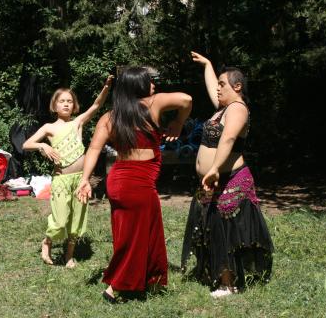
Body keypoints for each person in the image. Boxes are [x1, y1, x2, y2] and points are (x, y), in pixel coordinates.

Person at [76, 67, 192, 303]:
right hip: (137, 183)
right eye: (149, 81)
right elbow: (186, 99)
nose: (154, 85)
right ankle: (116, 287)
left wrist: (85, 179)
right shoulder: (153, 103)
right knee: (138, 234)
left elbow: (94, 150)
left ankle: (149, 281)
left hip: (117, 181)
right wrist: (179, 122)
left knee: (135, 231)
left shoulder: (109, 117)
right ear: (137, 85)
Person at [181, 51, 274, 298]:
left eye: (224, 84)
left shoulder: (238, 109)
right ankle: (218, 275)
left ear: (238, 86)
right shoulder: (222, 108)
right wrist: (208, 66)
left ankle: (228, 283)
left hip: (228, 177)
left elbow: (229, 138)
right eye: (219, 84)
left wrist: (213, 168)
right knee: (210, 227)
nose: (218, 89)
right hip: (212, 179)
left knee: (225, 229)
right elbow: (213, 89)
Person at [22, 75, 113, 268]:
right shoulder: (49, 128)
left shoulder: (77, 123)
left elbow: (96, 106)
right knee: (61, 219)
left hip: (80, 179)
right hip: (61, 180)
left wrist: (105, 88)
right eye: (62, 101)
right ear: (54, 106)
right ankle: (47, 240)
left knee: (77, 218)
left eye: (69, 101)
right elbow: (26, 144)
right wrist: (42, 147)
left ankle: (68, 256)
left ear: (74, 106)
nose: (66, 104)